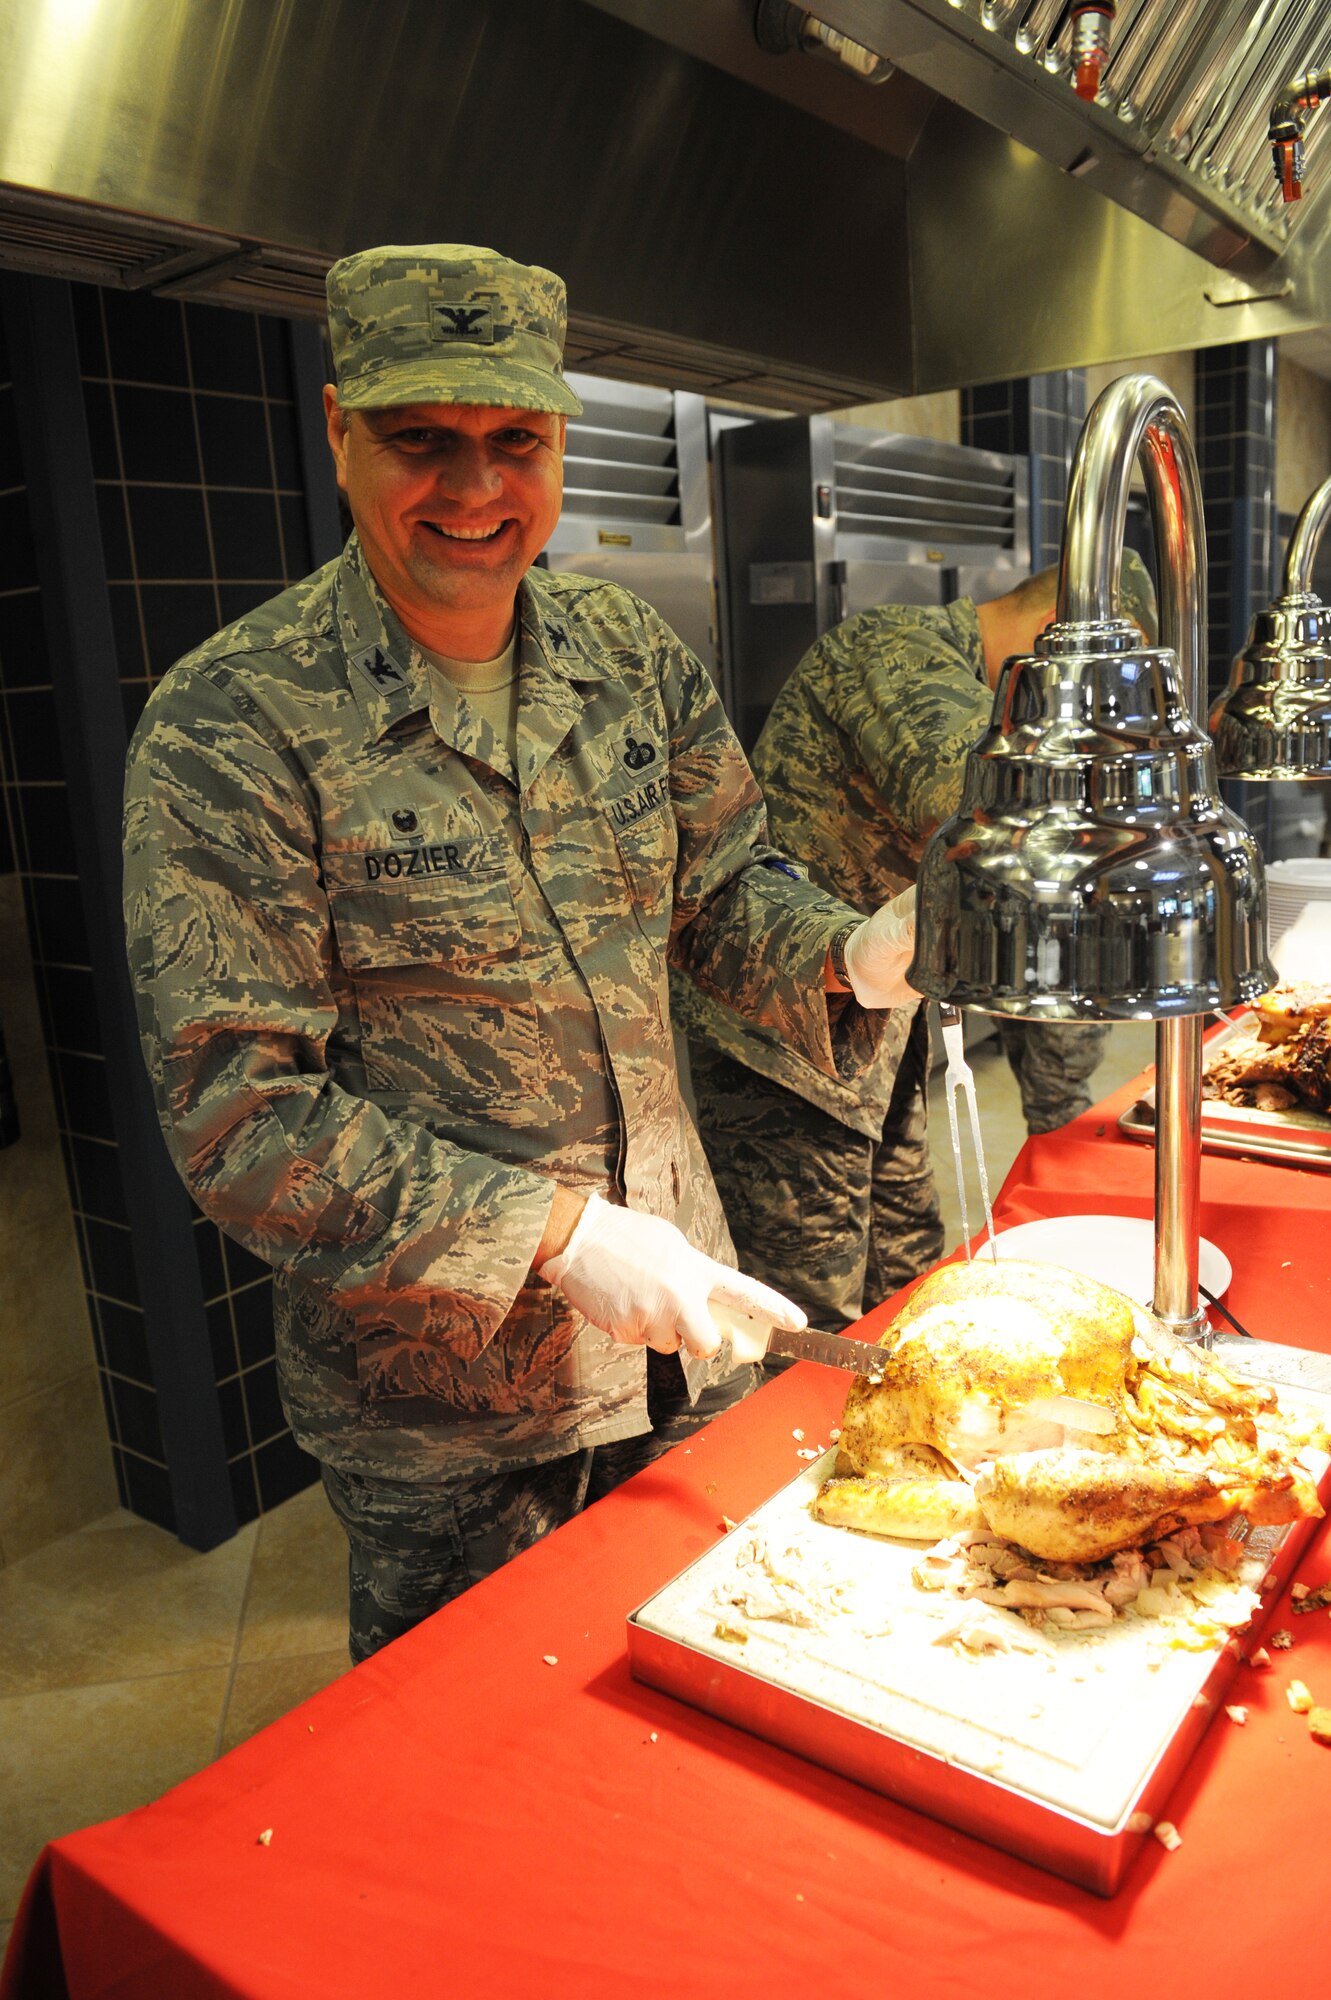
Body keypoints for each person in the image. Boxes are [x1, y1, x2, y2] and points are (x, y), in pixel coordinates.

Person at [122, 243, 918, 1662]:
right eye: (421, 439)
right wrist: (552, 1237)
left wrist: (853, 955)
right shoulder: (230, 724)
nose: (475, 488)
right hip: (443, 1418)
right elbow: (238, 1112)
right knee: (478, 1792)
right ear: (337, 430)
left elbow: (722, 888)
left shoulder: (623, 648)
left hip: (687, 1335)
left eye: (514, 441)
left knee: (725, 1706)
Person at [674, 553, 1157, 1334]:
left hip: (878, 1022)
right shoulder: (894, 652)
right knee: (809, 1307)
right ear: (1052, 639)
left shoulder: (979, 688)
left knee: (910, 1269)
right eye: (1095, 698)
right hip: (782, 1035)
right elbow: (993, 819)